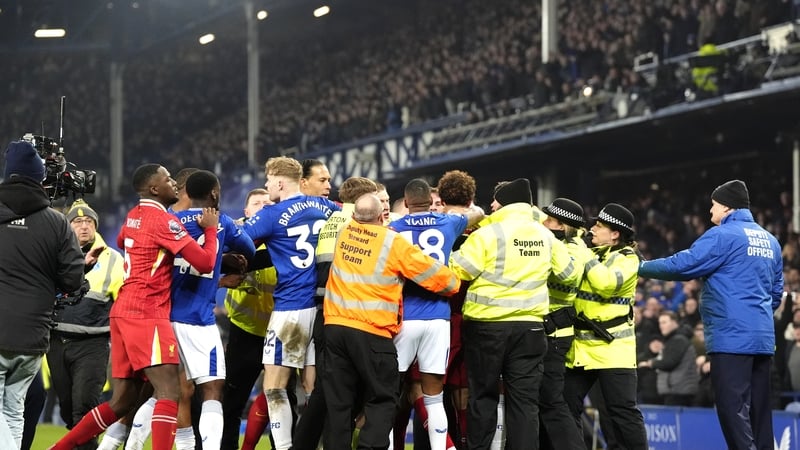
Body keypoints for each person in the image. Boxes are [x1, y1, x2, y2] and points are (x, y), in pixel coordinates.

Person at [50, 163, 220, 450]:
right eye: (167, 179)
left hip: (122, 312)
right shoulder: (164, 222)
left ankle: (57, 449)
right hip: (147, 311)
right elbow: (204, 262)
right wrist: (211, 231)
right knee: (169, 392)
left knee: (122, 401)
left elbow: (121, 239)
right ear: (154, 188)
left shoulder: (133, 216)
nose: (174, 184)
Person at [639, 179, 784, 450]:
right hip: (763, 340)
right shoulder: (771, 241)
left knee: (731, 409)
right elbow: (776, 293)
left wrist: (641, 266)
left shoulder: (723, 236)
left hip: (731, 339)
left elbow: (682, 265)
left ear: (727, 207)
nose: (710, 211)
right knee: (760, 411)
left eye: (713, 205)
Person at [322, 193, 461, 450]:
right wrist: (454, 279)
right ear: (380, 217)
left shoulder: (344, 233)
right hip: (372, 331)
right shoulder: (391, 242)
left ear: (354, 217)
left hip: (335, 329)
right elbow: (444, 281)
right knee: (383, 398)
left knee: (339, 403)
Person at [448, 178, 579, 450]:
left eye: (495, 200)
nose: (492, 205)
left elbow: (459, 270)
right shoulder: (545, 235)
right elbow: (569, 274)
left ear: (504, 203)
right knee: (524, 403)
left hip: (487, 328)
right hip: (530, 330)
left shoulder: (489, 234)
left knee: (483, 398)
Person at [242, 156, 340, 450]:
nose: (267, 186)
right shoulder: (328, 208)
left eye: (269, 181)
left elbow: (239, 241)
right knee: (313, 386)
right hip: (325, 307)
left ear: (280, 182)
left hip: (291, 309)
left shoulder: (271, 214)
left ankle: (285, 447)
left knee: (274, 386)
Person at [0, 141, 84, 449]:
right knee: (13, 411)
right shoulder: (57, 222)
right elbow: (73, 280)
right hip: (34, 336)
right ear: (39, 177)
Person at [388, 179, 483, 450]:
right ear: (431, 202)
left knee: (389, 395)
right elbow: (477, 213)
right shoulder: (447, 223)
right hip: (439, 319)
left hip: (404, 318)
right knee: (434, 397)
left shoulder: (393, 229)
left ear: (405, 204)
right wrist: (449, 215)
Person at [293, 176, 377, 450]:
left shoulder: (330, 223)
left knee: (328, 388)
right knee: (339, 389)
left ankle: (308, 444)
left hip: (323, 312)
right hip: (347, 313)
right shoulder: (359, 226)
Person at [563, 202, 648, 450]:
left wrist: (582, 253)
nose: (593, 229)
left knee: (622, 412)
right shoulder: (593, 254)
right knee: (564, 405)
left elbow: (606, 284)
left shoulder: (628, 259)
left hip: (614, 349)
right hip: (581, 349)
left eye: (599, 226)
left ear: (615, 233)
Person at [48, 200, 125, 450]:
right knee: (69, 409)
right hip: (56, 342)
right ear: (68, 227)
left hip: (93, 343)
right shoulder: (54, 255)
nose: (84, 226)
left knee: (84, 407)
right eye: (78, 222)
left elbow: (123, 304)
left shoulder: (113, 259)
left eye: (89, 221)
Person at [220, 188, 277, 450]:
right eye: (257, 203)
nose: (263, 206)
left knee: (281, 401)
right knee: (230, 403)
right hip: (243, 332)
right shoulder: (234, 238)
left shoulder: (282, 237)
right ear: (246, 212)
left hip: (278, 333)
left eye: (268, 202)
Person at [538, 198, 591, 450]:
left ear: (561, 226)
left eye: (549, 220)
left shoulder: (576, 250)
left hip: (556, 333)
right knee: (541, 402)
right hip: (546, 330)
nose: (544, 223)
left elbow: (565, 277)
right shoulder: (562, 242)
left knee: (551, 402)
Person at [638, 311, 699, 406]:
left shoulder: (678, 339)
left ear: (674, 322)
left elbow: (669, 362)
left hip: (679, 392)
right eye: (659, 323)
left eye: (664, 322)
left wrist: (650, 363)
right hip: (675, 391)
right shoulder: (672, 339)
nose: (661, 326)